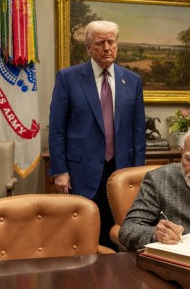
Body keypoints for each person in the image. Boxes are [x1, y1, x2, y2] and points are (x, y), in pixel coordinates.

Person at [49, 20, 146, 250]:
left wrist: (137, 172)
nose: (107, 48)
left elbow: (138, 130)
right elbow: (57, 128)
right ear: (88, 48)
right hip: (80, 171)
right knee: (82, 233)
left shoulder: (132, 80)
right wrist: (60, 171)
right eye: (100, 43)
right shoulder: (68, 78)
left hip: (120, 170)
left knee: (118, 230)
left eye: (111, 42)